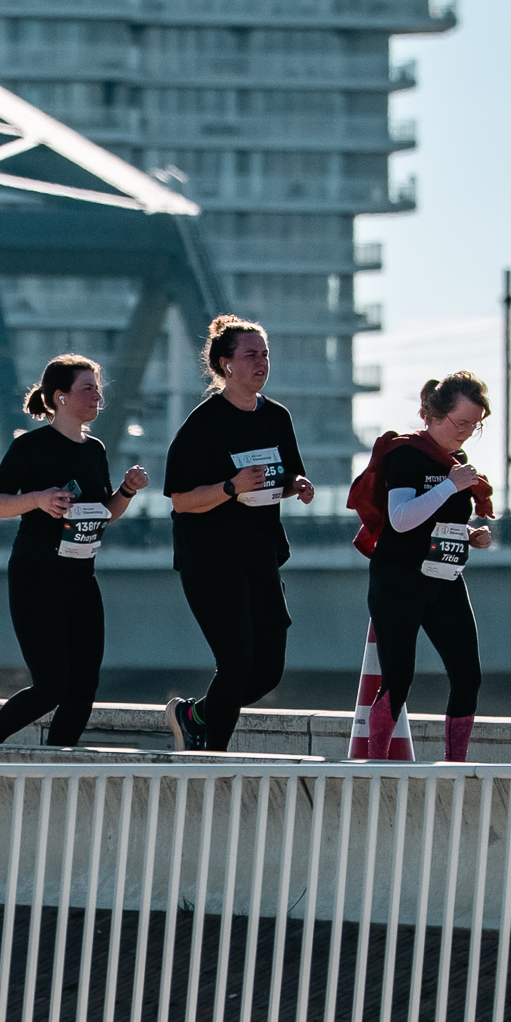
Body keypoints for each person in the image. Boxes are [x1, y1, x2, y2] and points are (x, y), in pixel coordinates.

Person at [0, 355, 149, 749]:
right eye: (88, 388)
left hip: (81, 576)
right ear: (61, 397)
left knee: (84, 686)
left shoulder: (95, 449)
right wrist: (37, 499)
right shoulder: (31, 446)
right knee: (51, 684)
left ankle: (57, 761)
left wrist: (127, 491)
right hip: (36, 573)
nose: (98, 396)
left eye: (98, 388)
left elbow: (105, 512)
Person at [161, 317, 314, 751]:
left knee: (268, 670)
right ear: (226, 364)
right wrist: (231, 487)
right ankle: (212, 758)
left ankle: (195, 716)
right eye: (250, 355)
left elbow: (284, 475)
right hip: (209, 556)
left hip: (261, 554)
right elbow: (181, 500)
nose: (261, 362)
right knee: (236, 659)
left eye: (265, 354)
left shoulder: (277, 416)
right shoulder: (204, 423)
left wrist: (297, 485)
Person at [348, 373, 496, 765]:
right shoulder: (406, 453)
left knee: (468, 675)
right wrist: (450, 486)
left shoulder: (458, 464)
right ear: (433, 415)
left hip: (444, 578)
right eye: (461, 423)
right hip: (398, 579)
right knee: (398, 680)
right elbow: (400, 519)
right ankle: (376, 765)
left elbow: (440, 521)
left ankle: (456, 766)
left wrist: (470, 536)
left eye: (474, 425)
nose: (467, 433)